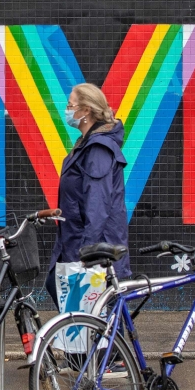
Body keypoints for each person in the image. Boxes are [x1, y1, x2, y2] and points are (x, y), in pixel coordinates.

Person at [46, 83, 131, 308]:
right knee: (61, 291)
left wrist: (87, 254)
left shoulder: (98, 149)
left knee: (99, 321)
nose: (66, 110)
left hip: (94, 249)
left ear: (85, 111)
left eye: (69, 105)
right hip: (75, 240)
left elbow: (98, 205)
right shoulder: (85, 145)